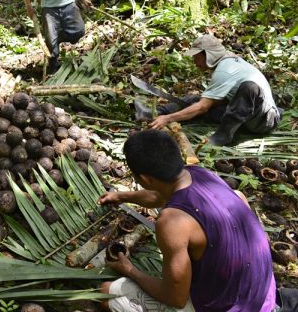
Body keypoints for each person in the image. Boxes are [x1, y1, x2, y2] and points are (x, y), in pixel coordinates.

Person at [98, 130, 276, 312]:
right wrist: (121, 196)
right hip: (262, 295)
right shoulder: (199, 174)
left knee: (106, 293)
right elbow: (159, 195)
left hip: (232, 307)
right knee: (238, 195)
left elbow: (176, 298)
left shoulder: (171, 223)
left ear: (144, 179)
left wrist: (130, 270)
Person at [135, 34, 281, 145]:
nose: (194, 61)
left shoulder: (226, 69)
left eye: (196, 57)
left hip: (263, 121)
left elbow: (202, 108)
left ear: (207, 54)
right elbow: (206, 103)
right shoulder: (226, 63)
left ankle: (223, 136)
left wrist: (169, 119)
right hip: (244, 115)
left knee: (249, 88)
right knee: (197, 100)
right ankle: (151, 114)